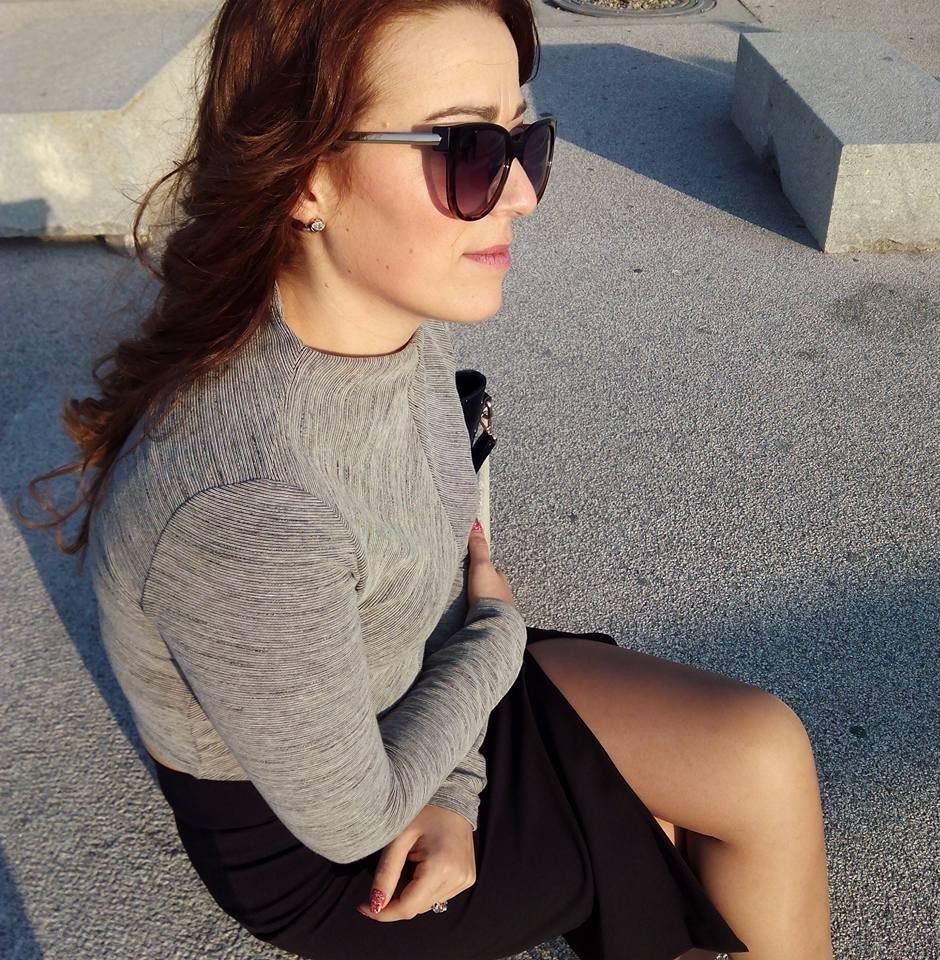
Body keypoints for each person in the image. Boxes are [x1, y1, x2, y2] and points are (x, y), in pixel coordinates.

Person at [18, 1, 834, 958]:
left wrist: (461, 778)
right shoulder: (244, 507)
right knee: (665, 826)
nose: (522, 195)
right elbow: (356, 814)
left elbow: (451, 572)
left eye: (526, 142)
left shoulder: (385, 325)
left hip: (425, 691)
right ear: (307, 178)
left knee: (758, 752)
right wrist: (496, 638)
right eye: (468, 149)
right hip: (329, 847)